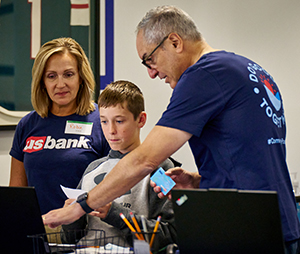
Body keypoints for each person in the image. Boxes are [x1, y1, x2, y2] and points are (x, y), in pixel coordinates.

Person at [43, 6, 300, 253]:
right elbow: (254, 158)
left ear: (175, 42)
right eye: (105, 121)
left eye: (149, 60)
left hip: (244, 229)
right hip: (276, 221)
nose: (152, 73)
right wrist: (200, 182)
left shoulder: (203, 75)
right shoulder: (249, 70)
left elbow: (144, 160)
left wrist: (83, 205)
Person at [61, 80, 177, 252]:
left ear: (141, 120)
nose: (111, 130)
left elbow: (169, 234)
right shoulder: (92, 170)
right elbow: (68, 239)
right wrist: (72, 218)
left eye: (120, 121)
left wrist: (114, 214)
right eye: (104, 122)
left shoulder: (159, 168)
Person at [9, 37, 110, 215]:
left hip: (88, 234)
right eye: (51, 76)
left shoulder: (102, 120)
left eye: (68, 74)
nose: (60, 84)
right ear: (42, 82)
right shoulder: (27, 125)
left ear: (81, 77)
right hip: (38, 233)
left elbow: (120, 182)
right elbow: (16, 196)